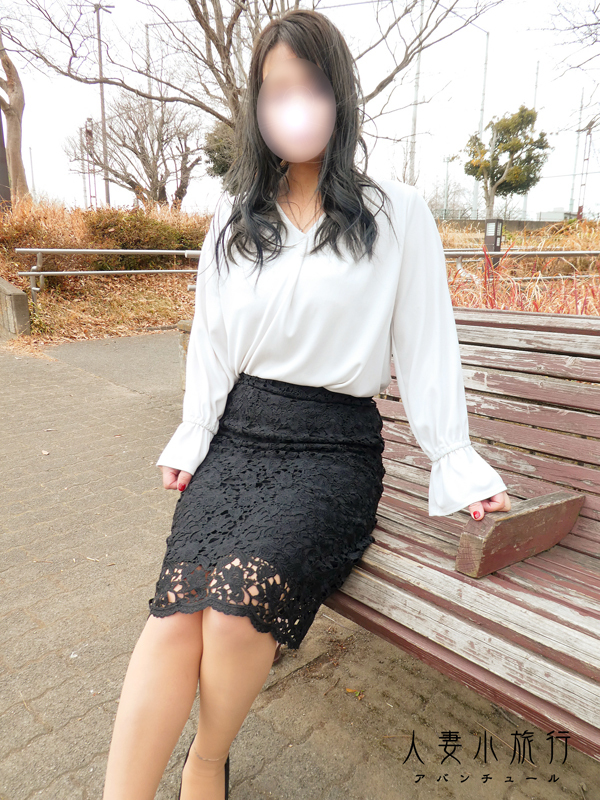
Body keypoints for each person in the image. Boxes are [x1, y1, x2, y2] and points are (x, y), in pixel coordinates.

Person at [101, 9, 511, 800]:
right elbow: (211, 342)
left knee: (235, 610)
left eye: (311, 85)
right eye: (276, 89)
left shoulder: (396, 211)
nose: (294, 104)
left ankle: (207, 761)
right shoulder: (232, 216)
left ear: (340, 96)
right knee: (177, 612)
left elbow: (428, 346)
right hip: (240, 436)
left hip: (331, 450)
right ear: (257, 106)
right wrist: (193, 435)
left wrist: (456, 462)